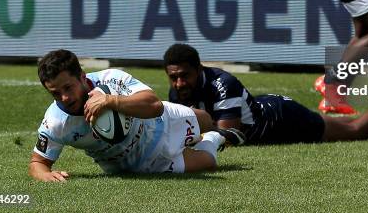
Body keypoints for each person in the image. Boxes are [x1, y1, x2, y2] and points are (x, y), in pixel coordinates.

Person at [164, 44, 368, 147]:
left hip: (281, 119)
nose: (178, 83)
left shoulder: (222, 83)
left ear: (198, 69)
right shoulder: (177, 91)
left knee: (353, 131)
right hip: (262, 114)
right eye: (173, 77)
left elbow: (232, 137)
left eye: (184, 75)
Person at [28, 49, 245, 182]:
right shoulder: (56, 121)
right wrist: (44, 173)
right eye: (55, 93)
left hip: (162, 121)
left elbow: (154, 105)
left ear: (83, 77)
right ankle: (215, 139)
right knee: (208, 163)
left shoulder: (111, 78)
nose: (64, 97)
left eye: (68, 87)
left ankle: (212, 131)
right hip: (139, 165)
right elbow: (38, 162)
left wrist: (111, 101)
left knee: (205, 119)